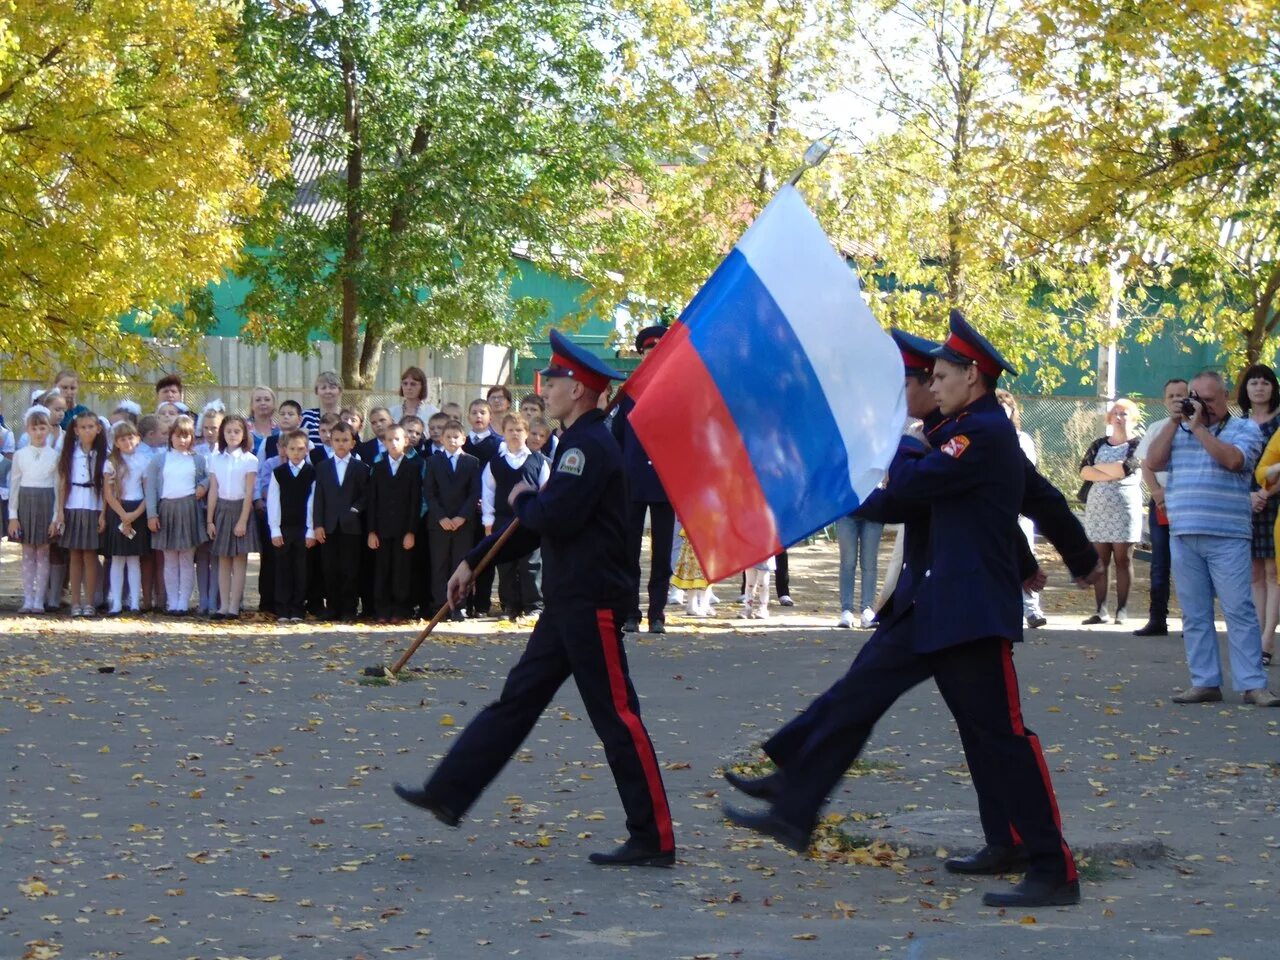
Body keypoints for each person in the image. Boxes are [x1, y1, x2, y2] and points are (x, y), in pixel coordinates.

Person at [724, 315, 1098, 908]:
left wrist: (905, 443)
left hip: (967, 613)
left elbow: (910, 492)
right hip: (928, 605)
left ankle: (1053, 867)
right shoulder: (965, 431)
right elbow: (998, 507)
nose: (933, 383)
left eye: (942, 374)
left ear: (973, 377)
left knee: (999, 737)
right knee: (858, 697)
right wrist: (1072, 558)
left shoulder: (978, 435)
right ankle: (795, 802)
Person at [395, 329, 675, 868]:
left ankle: (655, 837)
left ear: (582, 390)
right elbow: (531, 527)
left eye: (556, 380)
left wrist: (523, 493)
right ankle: (450, 790)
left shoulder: (590, 446)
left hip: (591, 602)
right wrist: (472, 562)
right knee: (517, 701)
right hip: (568, 602)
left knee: (618, 717)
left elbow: (550, 516)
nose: (544, 387)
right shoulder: (574, 443)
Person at [1143, 370, 1279, 706]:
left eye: (1209, 399)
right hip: (1184, 532)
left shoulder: (1244, 428)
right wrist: (1176, 423)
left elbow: (1235, 461)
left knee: (1239, 610)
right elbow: (1153, 462)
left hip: (1228, 535)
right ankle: (1204, 681)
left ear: (1225, 398)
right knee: (1194, 612)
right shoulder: (1176, 429)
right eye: (1196, 398)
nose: (1201, 405)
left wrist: (1199, 427)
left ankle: (1253, 684)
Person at [613, 324, 677, 634]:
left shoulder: (678, 391)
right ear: (642, 355)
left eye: (658, 351)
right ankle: (629, 612)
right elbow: (618, 437)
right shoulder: (628, 393)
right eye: (648, 352)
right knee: (629, 552)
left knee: (661, 554)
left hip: (665, 482)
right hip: (632, 481)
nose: (653, 356)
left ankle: (657, 613)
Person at [1078, 398, 1144, 625]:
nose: (1119, 417)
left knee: (1123, 560)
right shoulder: (1098, 444)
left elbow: (1126, 468)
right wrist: (1112, 472)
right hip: (1098, 509)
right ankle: (1101, 610)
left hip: (1125, 509)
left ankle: (1122, 610)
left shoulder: (1138, 444)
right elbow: (1084, 471)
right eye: (1115, 413)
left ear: (1133, 418)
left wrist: (1100, 471)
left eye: (1124, 413)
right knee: (1100, 560)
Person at [1133, 379, 1188, 637]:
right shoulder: (1157, 428)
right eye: (1172, 396)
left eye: (1182, 395)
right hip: (1161, 504)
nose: (1177, 399)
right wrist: (1156, 492)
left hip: (1188, 502)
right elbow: (1146, 464)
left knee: (1189, 563)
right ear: (1165, 400)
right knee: (1160, 562)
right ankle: (1157, 619)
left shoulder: (1197, 428)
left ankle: (1194, 620)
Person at [481, 413, 551, 619]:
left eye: (519, 430)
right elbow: (488, 492)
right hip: (503, 520)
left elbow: (546, 490)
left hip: (530, 521)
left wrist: (540, 517)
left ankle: (534, 605)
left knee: (531, 564)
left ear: (527, 433)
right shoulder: (495, 463)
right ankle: (510, 605)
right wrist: (488, 522)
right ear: (503, 433)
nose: (514, 434)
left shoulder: (538, 461)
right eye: (510, 430)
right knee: (506, 565)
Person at [144, 416, 209, 616]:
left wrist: (203, 486)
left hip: (189, 509)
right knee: (170, 558)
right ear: (171, 437)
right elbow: (152, 488)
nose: (182, 440)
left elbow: (208, 477)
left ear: (192, 438)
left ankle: (183, 601)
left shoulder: (197, 459)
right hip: (167, 510)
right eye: (178, 436)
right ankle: (172, 600)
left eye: (187, 436)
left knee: (187, 558)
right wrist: (152, 514)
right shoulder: (160, 459)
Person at [996, 389, 1047, 628]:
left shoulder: (1022, 439)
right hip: (996, 511)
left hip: (1020, 509)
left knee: (1026, 556)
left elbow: (1027, 474)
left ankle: (1032, 610)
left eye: (1006, 410)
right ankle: (1007, 609)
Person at [1240, 365, 1280, 664]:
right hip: (1246, 502)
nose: (1259, 387)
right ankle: (1256, 638)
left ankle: (1268, 639)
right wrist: (1250, 496)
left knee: (1273, 572)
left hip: (1274, 501)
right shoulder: (1239, 424)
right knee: (1254, 571)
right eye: (1253, 382)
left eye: (1265, 382)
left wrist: (1266, 493)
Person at [312, 420, 370, 622]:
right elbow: (318, 497)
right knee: (329, 568)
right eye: (337, 440)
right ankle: (333, 607)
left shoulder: (360, 467)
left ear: (353, 443)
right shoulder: (323, 467)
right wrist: (317, 524)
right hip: (328, 525)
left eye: (345, 440)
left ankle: (349, 608)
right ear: (331, 442)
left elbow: (365, 495)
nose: (341, 444)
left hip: (351, 526)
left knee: (350, 568)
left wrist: (354, 510)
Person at [425, 419, 481, 619]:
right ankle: (440, 605)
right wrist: (441, 517)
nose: (451, 440)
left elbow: (475, 493)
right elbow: (429, 493)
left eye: (456, 436)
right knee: (439, 564)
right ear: (441, 439)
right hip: (439, 523)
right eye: (447, 437)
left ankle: (459, 605)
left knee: (460, 564)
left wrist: (461, 517)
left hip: (463, 523)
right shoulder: (432, 461)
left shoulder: (472, 462)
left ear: (463, 439)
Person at [206, 414, 260, 619]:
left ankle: (234, 606)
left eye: (237, 431)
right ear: (222, 433)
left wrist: (243, 521)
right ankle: (223, 605)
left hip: (240, 509)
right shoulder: (215, 458)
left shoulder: (249, 460)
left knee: (239, 560)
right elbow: (213, 490)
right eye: (228, 431)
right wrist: (210, 519)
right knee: (223, 560)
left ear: (244, 434)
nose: (232, 435)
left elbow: (248, 493)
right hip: (221, 509)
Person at [54, 410, 107, 617]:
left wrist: (103, 514)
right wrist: (59, 511)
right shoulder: (70, 453)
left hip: (93, 507)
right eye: (83, 427)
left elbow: (106, 488)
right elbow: (63, 483)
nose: (87, 431)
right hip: (73, 506)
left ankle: (90, 602)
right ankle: (75, 602)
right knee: (75, 555)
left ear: (98, 429)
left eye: (91, 427)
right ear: (76, 430)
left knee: (91, 555)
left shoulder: (103, 454)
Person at [366, 424, 420, 623]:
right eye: (389, 440)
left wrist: (411, 531)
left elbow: (415, 502)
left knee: (401, 570)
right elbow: (372, 501)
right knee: (382, 570)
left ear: (406, 441)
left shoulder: (413, 467)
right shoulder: (378, 468)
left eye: (397, 439)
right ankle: (381, 609)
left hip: (403, 529)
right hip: (381, 529)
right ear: (384, 443)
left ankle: (400, 608)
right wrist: (371, 530)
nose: (393, 443)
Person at [8, 406, 59, 613]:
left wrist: (56, 517)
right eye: (35, 428)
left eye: (42, 428)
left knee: (44, 552)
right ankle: (28, 599)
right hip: (26, 503)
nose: (39, 433)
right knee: (28, 552)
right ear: (28, 430)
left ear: (48, 430)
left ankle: (39, 600)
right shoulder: (20, 455)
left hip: (46, 503)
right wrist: (13, 516)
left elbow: (57, 488)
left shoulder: (55, 455)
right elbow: (14, 486)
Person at [268, 429, 316, 623]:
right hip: (284, 528)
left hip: (303, 529)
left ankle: (297, 608)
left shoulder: (312, 473)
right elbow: (273, 502)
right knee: (283, 569)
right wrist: (275, 529)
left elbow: (313, 502)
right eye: (292, 448)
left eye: (300, 449)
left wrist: (311, 529)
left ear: (306, 450)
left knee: (301, 569)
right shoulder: (278, 473)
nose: (296, 452)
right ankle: (282, 608)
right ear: (285, 450)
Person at [103, 422, 150, 616]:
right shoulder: (111, 462)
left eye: (131, 437)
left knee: (133, 559)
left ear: (138, 438)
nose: (127, 441)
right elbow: (108, 493)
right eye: (122, 438)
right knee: (117, 558)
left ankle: (134, 603)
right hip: (118, 510)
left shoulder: (144, 460)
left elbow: (148, 492)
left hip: (137, 509)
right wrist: (123, 515)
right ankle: (116, 602)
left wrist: (135, 514)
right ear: (116, 442)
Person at [671, 527, 711, 617]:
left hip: (709, 533)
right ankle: (692, 604)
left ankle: (704, 604)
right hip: (694, 533)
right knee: (693, 570)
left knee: (707, 571)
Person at [301, 371, 343, 445]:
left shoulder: (346, 417)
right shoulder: (307, 416)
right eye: (323, 388)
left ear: (340, 391)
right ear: (317, 391)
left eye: (332, 387)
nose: (328, 391)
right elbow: (300, 443)